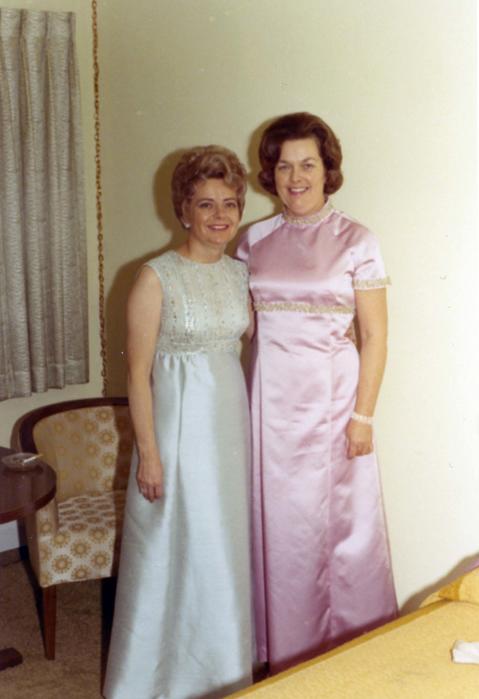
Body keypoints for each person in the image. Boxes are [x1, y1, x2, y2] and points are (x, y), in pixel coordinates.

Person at [236, 112, 397, 674]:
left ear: (329, 171)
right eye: (284, 166)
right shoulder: (252, 239)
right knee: (280, 536)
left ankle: (345, 655)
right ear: (270, 174)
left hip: (333, 411)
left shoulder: (358, 240)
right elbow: (242, 328)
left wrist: (364, 417)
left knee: (336, 535)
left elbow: (375, 336)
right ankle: (280, 657)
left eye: (308, 164)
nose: (295, 177)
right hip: (268, 412)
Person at [104, 146, 253, 699]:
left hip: (227, 433)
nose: (220, 216)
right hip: (175, 432)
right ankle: (153, 680)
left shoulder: (241, 277)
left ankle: (223, 673)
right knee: (175, 547)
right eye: (206, 204)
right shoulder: (154, 277)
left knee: (221, 550)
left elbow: (261, 345)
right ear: (183, 210)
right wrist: (150, 453)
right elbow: (137, 374)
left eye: (231, 204)